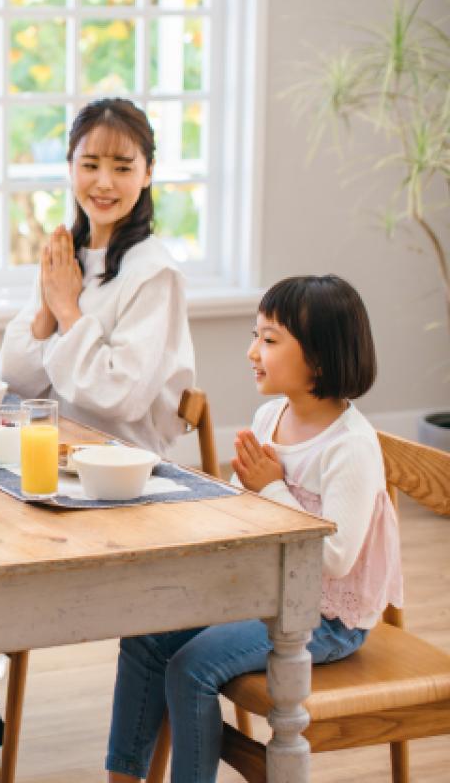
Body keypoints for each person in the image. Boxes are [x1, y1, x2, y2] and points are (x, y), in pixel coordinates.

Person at [0, 97, 198, 759]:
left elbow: (119, 395)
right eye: (89, 163)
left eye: (122, 166)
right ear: (69, 166)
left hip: (121, 476)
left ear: (148, 173)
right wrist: (47, 309)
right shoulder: (71, 254)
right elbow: (20, 377)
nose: (103, 180)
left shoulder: (158, 274)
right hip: (50, 450)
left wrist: (66, 311)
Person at [105, 275, 403, 783]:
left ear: (321, 359)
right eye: (254, 335)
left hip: (326, 618)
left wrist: (270, 488)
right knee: (146, 638)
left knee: (191, 667)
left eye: (269, 340)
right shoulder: (271, 416)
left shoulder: (349, 445)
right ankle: (124, 777)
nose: (252, 352)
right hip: (268, 595)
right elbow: (249, 509)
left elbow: (334, 559)